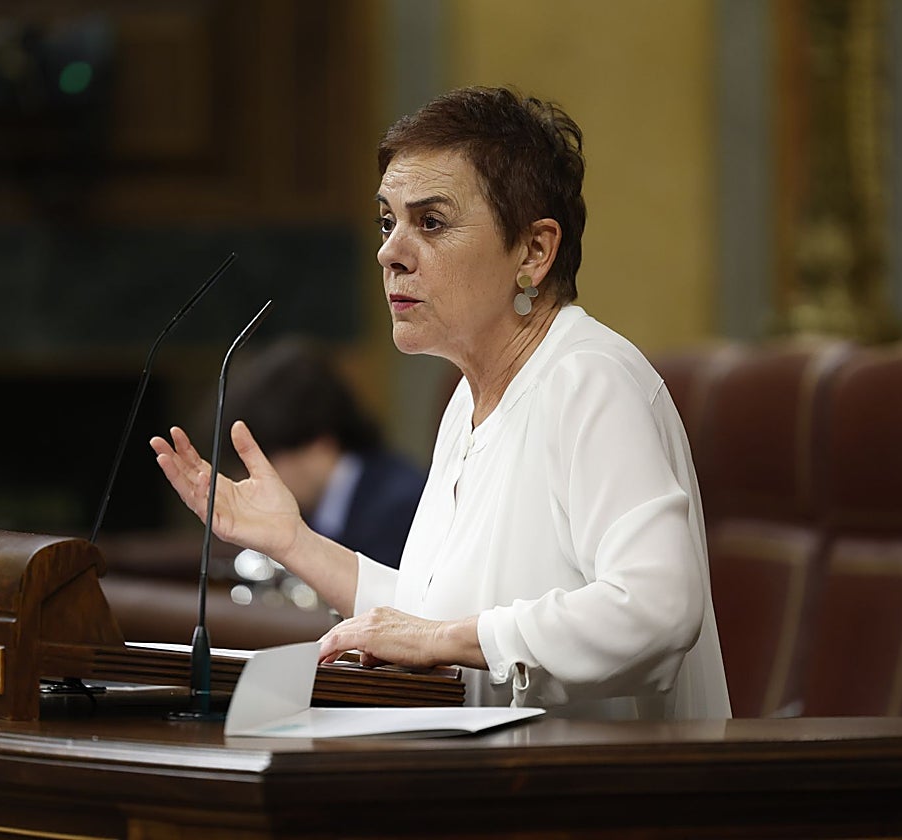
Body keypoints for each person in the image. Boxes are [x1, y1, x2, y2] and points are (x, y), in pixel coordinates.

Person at [151, 85, 731, 719]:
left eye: (430, 222)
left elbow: (657, 610)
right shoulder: (467, 397)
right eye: (386, 221)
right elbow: (434, 616)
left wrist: (437, 639)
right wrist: (293, 540)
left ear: (534, 251)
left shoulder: (589, 379)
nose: (389, 252)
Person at [215, 335, 426, 570]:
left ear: (319, 445)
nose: (249, 480)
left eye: (262, 462)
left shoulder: (400, 508)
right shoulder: (316, 509)